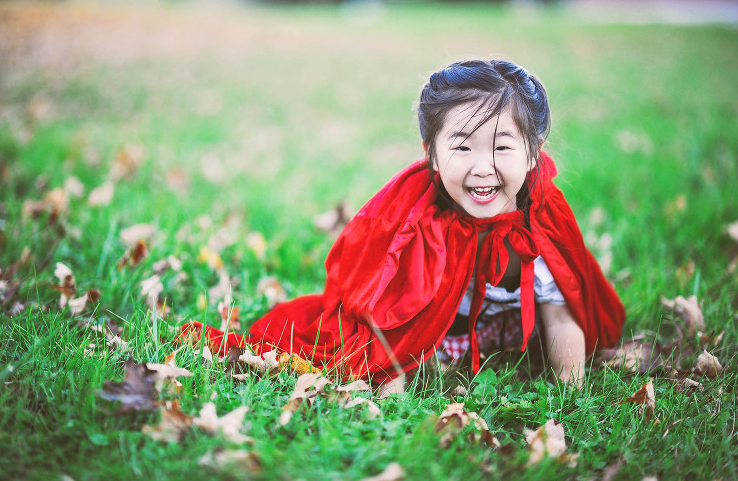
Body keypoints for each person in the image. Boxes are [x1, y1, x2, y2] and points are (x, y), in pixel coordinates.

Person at [181, 59, 625, 395]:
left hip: (510, 331)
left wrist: (570, 394)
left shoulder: (541, 220)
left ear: (533, 153)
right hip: (436, 332)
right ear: (430, 152)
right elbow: (392, 312)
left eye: (502, 147)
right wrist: (388, 391)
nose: (482, 167)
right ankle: (433, 363)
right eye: (462, 147)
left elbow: (561, 313)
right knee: (356, 345)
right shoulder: (417, 219)